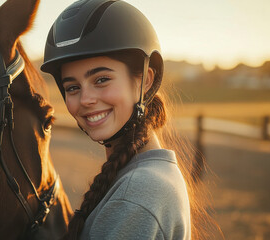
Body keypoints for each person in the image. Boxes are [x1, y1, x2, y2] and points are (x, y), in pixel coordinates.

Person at [41, 0, 219, 239]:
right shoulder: (150, 174)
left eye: (101, 79)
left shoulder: (136, 195)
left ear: (145, 81)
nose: (85, 99)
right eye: (72, 87)